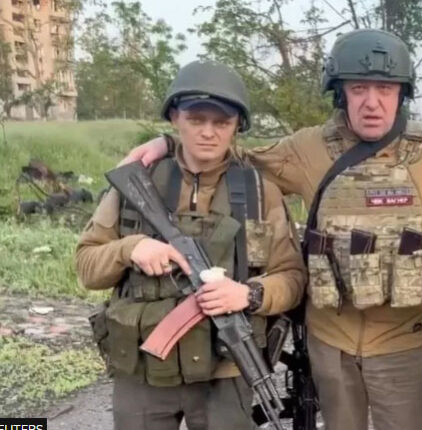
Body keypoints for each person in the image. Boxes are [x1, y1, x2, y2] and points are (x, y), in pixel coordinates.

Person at [124, 29, 422, 430]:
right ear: (340, 92)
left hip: (404, 345)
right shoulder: (308, 148)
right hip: (330, 343)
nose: (372, 102)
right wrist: (169, 144)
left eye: (385, 89)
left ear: (402, 93)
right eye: (359, 88)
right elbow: (230, 157)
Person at [77, 60, 305, 430]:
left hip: (226, 367)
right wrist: (129, 248)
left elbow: (292, 278)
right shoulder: (138, 184)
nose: (208, 133)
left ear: (237, 126)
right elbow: (87, 267)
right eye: (196, 119)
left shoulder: (259, 193)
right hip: (144, 368)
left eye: (222, 123)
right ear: (174, 118)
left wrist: (249, 294)